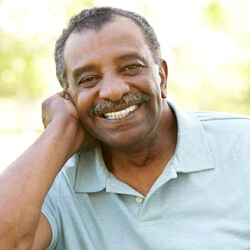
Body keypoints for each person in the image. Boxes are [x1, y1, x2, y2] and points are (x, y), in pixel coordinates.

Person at [0, 6, 250, 250]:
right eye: (88, 79)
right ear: (70, 98)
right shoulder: (51, 183)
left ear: (161, 77)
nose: (113, 90)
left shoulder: (243, 146)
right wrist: (61, 129)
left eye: (131, 67)